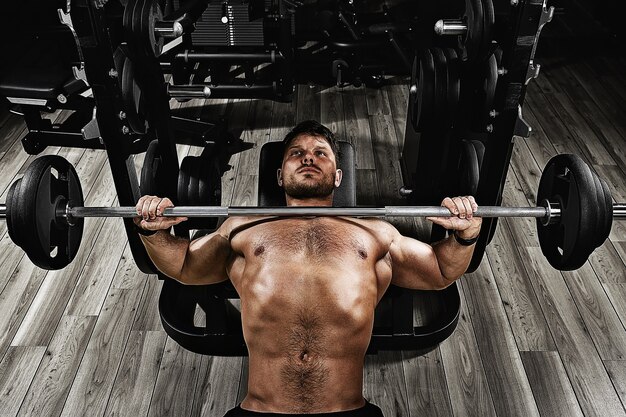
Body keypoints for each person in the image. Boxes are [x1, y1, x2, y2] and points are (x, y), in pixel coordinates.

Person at [134, 120, 482, 417]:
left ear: (337, 177)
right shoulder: (241, 228)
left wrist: (465, 236)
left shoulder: (375, 232)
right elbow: (182, 265)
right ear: (280, 177)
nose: (308, 158)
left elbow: (439, 270)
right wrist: (153, 231)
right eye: (296, 153)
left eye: (320, 153)